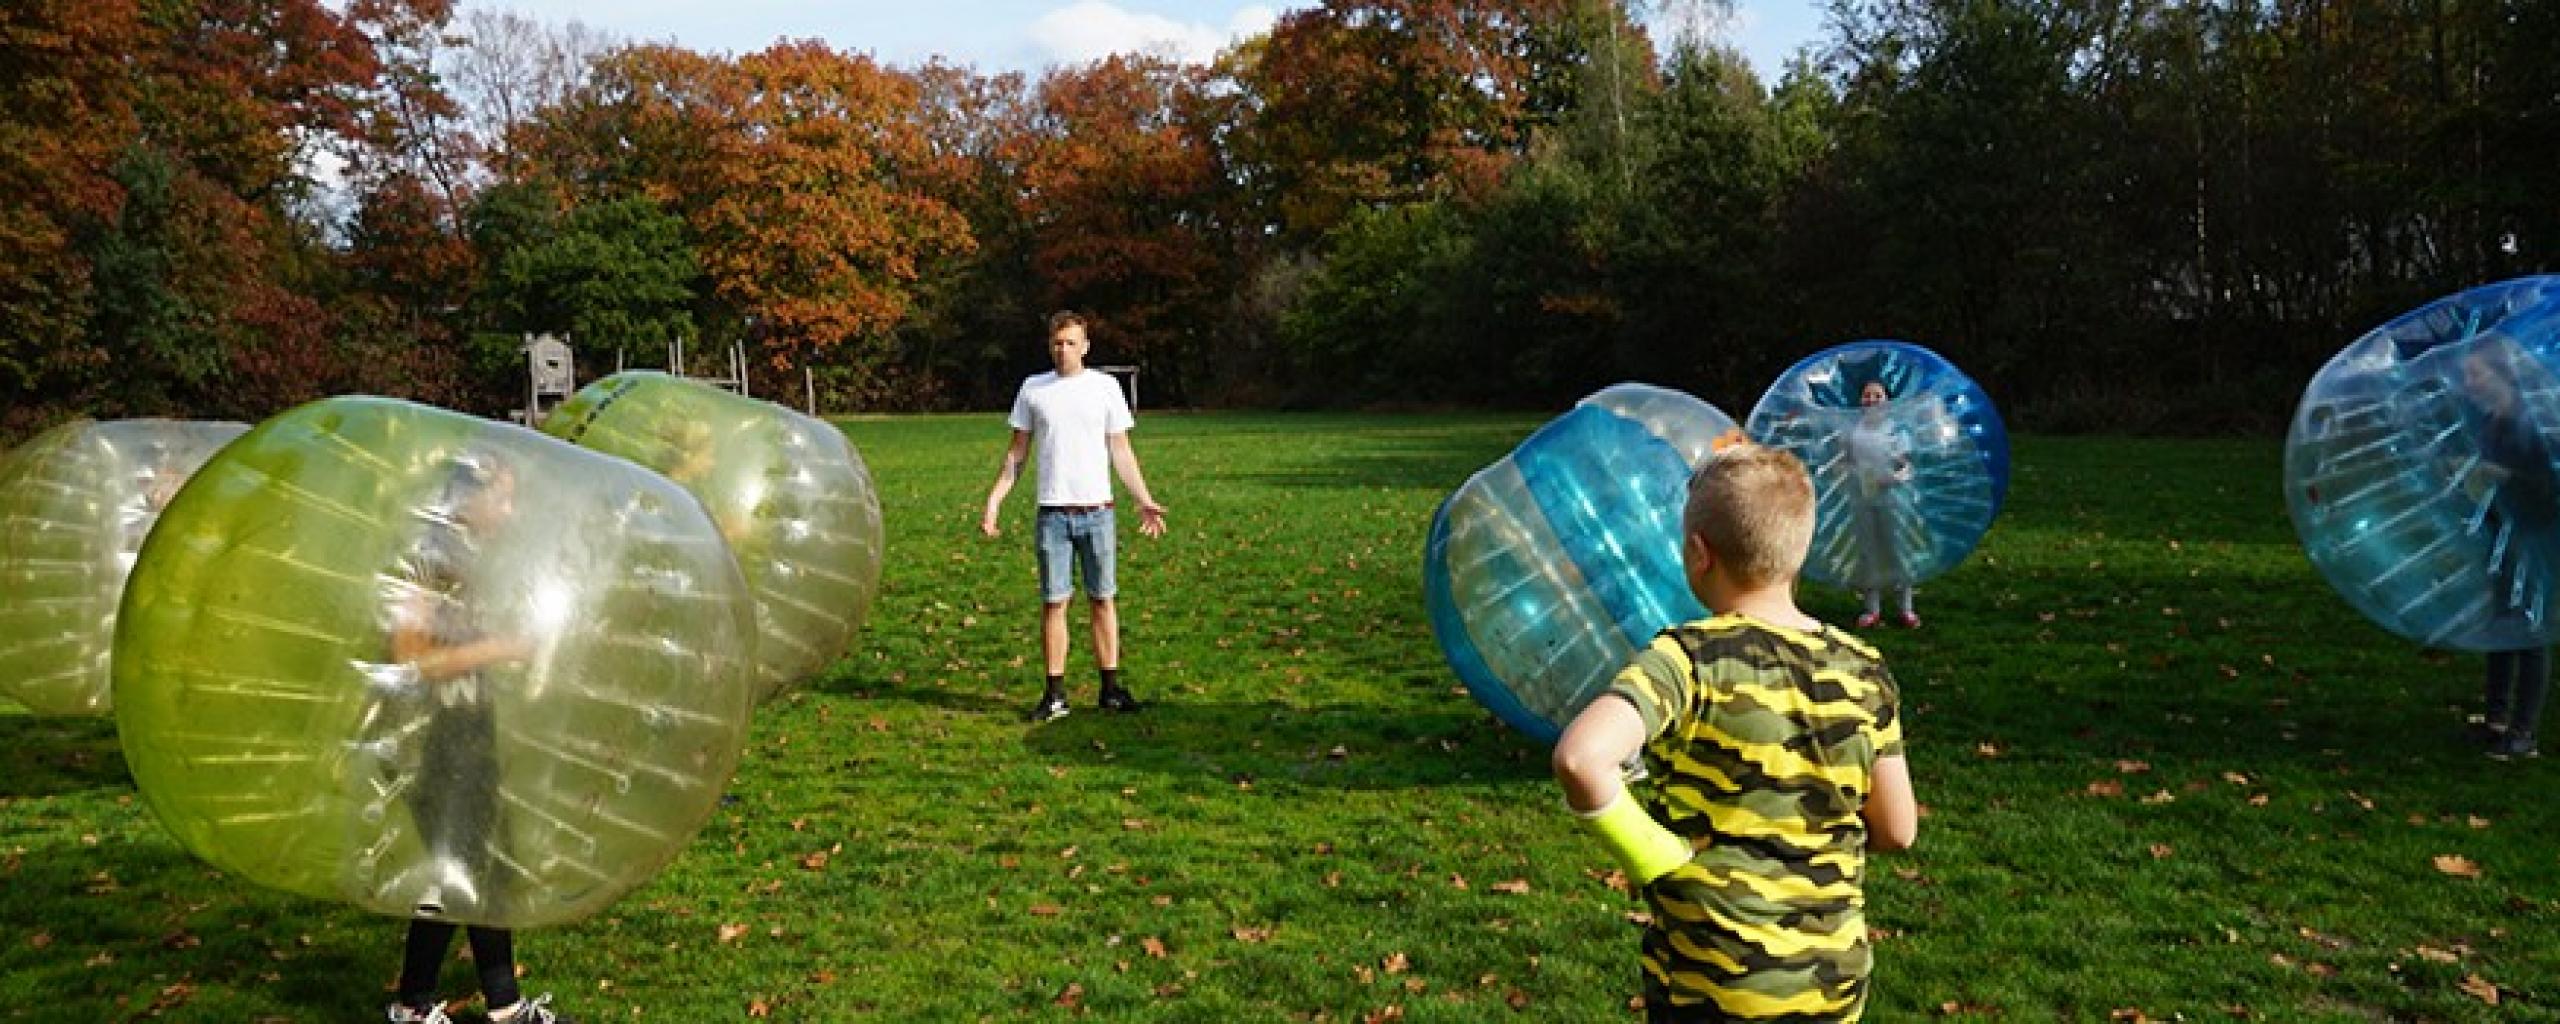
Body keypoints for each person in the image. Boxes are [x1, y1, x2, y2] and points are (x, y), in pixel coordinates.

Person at [1552, 443, 1917, 1022]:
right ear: (1798, 553)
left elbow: (1581, 759)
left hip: (1713, 980)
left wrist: (1653, 855)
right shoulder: (1864, 668)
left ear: (1699, 554)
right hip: (1832, 982)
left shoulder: (1687, 659)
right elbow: (1898, 829)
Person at [381, 452, 567, 1024]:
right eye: (502, 498)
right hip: (429, 737)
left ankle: (503, 1006)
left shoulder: (468, 555)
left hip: (467, 727)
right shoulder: (427, 557)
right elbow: (409, 659)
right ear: (469, 494)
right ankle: (414, 1006)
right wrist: (503, 649)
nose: (509, 513)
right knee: (455, 870)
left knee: (486, 865)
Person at [981, 311, 1168, 722]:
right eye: (1057, 343)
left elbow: (1121, 450)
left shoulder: (1105, 388)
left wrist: (1143, 498)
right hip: (1053, 515)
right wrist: (995, 500)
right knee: (1055, 603)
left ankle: (1111, 688)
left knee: (1103, 600)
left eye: (1070, 343)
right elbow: (1017, 454)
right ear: (1050, 346)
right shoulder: (1034, 390)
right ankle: (1055, 694)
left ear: (1085, 346)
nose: (1063, 350)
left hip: (1098, 513)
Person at [2459, 341, 2555, 760]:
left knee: (2529, 628)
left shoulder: (2533, 425)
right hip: (2501, 533)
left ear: (2502, 376)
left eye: (2475, 374)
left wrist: (2505, 475)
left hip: (2535, 534)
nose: (2468, 383)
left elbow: (2551, 485)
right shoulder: (2491, 421)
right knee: (2500, 622)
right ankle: (2495, 721)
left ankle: (2524, 733)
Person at [1842, 380, 1918, 629]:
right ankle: (1872, 609)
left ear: (1887, 401)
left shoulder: (1897, 431)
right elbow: (1846, 462)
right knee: (1868, 551)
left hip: (1893, 500)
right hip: (1862, 499)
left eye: (1877, 395)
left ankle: (1905, 608)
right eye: (1867, 395)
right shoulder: (1854, 431)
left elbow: (1907, 465)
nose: (1872, 399)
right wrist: (1850, 474)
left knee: (1898, 550)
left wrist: (1893, 478)